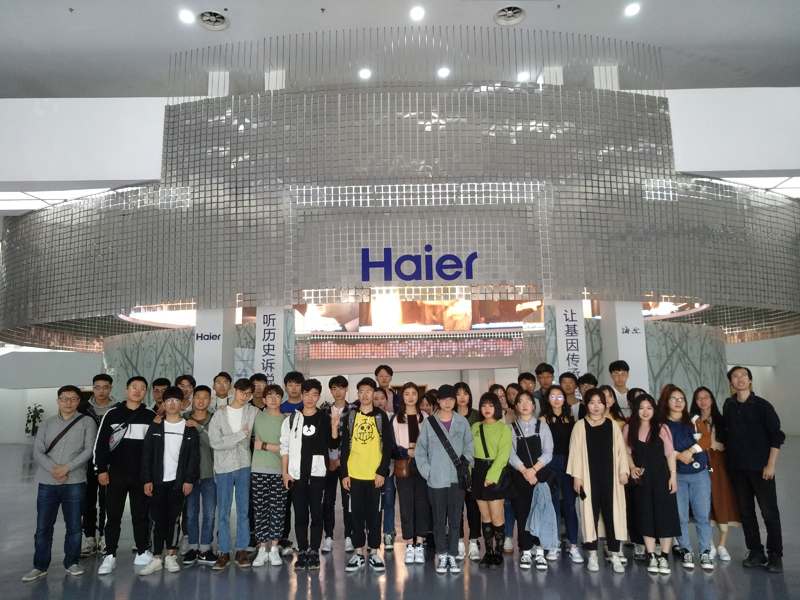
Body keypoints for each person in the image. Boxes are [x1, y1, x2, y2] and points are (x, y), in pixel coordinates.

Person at [23, 385, 98, 582]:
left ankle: (72, 562)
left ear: (78, 401)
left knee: (74, 525)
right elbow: (38, 450)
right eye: (64, 399)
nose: (68, 402)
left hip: (75, 481)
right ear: (58, 400)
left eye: (73, 399)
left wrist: (67, 468)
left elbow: (89, 450)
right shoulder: (47, 424)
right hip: (47, 481)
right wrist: (54, 470)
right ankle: (40, 566)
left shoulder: (87, 422)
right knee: (43, 526)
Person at [93, 376, 157, 574]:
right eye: (134, 387)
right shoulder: (112, 414)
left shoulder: (150, 416)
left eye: (142, 388)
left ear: (145, 393)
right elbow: (101, 444)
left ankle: (142, 551)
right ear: (126, 391)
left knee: (141, 515)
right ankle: (109, 555)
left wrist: (151, 475)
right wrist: (100, 470)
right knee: (112, 515)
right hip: (116, 474)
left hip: (141, 476)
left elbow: (155, 448)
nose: (137, 391)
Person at [723, 366, 784, 573]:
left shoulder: (763, 406)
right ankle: (756, 551)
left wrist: (770, 465)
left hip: (761, 469)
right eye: (735, 376)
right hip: (737, 469)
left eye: (743, 376)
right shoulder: (729, 405)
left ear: (750, 380)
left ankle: (775, 554)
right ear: (731, 382)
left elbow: (776, 437)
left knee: (769, 513)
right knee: (746, 512)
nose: (739, 379)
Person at [567, 388, 630, 573]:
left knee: (612, 515)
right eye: (592, 402)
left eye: (600, 402)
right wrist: (577, 476)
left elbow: (621, 451)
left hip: (611, 479)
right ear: (586, 404)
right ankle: (593, 555)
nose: (596, 406)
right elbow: (575, 452)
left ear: (605, 404)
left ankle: (615, 555)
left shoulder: (612, 425)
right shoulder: (580, 426)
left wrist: (623, 471)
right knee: (590, 516)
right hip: (588, 479)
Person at [139, 386, 200, 575]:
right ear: (163, 404)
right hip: (157, 481)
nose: (172, 404)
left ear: (182, 404)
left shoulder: (189, 428)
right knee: (157, 519)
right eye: (168, 401)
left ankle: (171, 555)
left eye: (176, 400)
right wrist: (147, 479)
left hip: (178, 481)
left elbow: (194, 457)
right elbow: (146, 454)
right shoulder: (156, 426)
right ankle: (157, 557)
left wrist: (189, 480)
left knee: (174, 519)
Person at [280, 378, 340, 570]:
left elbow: (333, 445)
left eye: (314, 394)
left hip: (318, 475)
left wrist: (334, 427)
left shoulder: (325, 418)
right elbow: (284, 447)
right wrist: (284, 472)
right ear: (302, 395)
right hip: (296, 475)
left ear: (319, 396)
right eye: (307, 394)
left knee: (316, 515)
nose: (310, 398)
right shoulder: (291, 419)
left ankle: (314, 550)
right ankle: (302, 551)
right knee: (300, 516)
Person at [415, 384, 475, 575]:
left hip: (456, 480)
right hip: (436, 480)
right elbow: (420, 451)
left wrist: (464, 465)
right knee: (439, 520)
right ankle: (442, 555)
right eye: (444, 399)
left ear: (454, 401)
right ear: (438, 401)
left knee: (456, 519)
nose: (448, 403)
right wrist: (429, 472)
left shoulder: (462, 422)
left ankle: (453, 554)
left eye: (451, 399)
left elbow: (469, 446)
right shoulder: (429, 423)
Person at [657, 383, 713, 571]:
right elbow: (661, 446)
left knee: (702, 515)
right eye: (674, 399)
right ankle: (685, 549)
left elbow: (706, 439)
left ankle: (705, 551)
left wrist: (690, 451)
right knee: (680, 516)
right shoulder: (662, 424)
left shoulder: (694, 420)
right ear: (667, 401)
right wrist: (677, 455)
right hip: (677, 475)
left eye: (681, 399)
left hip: (699, 474)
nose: (678, 402)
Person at [623, 393, 680, 576]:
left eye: (649, 408)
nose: (645, 412)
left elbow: (670, 454)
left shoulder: (662, 428)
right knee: (645, 515)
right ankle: (651, 555)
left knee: (665, 515)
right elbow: (627, 452)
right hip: (642, 479)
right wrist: (632, 467)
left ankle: (664, 556)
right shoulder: (629, 428)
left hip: (662, 476)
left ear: (654, 409)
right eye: (641, 408)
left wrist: (673, 476)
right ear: (636, 410)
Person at [341, 377, 392, 572]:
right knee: (355, 515)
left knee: (374, 515)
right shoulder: (351, 416)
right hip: (354, 474)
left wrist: (381, 472)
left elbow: (387, 447)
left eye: (368, 391)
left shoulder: (381, 416)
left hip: (374, 476)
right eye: (361, 391)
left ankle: (374, 552)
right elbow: (345, 447)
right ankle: (358, 553)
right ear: (357, 394)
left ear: (374, 394)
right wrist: (345, 474)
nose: (364, 395)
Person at [208, 378, 259, 569]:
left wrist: (232, 439)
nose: (245, 396)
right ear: (234, 391)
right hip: (223, 467)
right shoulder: (220, 414)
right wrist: (240, 436)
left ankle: (241, 550)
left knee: (243, 510)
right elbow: (215, 442)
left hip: (244, 464)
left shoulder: (253, 412)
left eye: (248, 394)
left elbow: (265, 423)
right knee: (223, 511)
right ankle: (223, 551)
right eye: (242, 392)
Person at [690, 386, 740, 562]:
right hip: (701, 462)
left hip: (720, 463)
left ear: (712, 400)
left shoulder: (722, 421)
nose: (703, 401)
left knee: (722, 500)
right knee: (705, 502)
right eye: (699, 398)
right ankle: (709, 545)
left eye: (706, 397)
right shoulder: (692, 422)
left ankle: (722, 545)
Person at [509, 390, 553, 570]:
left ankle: (540, 551)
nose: (525, 405)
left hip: (539, 476)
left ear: (534, 405)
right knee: (523, 513)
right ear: (516, 406)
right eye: (521, 402)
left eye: (528, 401)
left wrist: (533, 470)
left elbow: (548, 452)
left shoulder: (542, 426)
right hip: (520, 478)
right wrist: (524, 471)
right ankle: (526, 550)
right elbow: (510, 454)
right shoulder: (511, 428)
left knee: (541, 512)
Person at [538, 385, 582, 564]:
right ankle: (553, 543)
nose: (556, 400)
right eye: (553, 396)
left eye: (560, 396)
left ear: (564, 399)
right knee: (553, 506)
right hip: (550, 464)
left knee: (570, 506)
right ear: (548, 399)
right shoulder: (542, 419)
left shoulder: (572, 419)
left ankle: (574, 545)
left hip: (570, 464)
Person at [471, 392, 514, 569]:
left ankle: (498, 553)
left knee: (496, 516)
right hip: (477, 472)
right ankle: (488, 552)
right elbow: (469, 452)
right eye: (483, 405)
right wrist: (470, 476)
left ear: (497, 407)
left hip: (496, 473)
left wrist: (491, 477)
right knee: (485, 516)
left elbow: (503, 456)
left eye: (491, 405)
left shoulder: (504, 429)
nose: (487, 409)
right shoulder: (475, 427)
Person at [79, 374, 118, 559]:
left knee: (106, 502)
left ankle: (103, 537)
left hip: (110, 463)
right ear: (93, 388)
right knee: (87, 501)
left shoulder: (118, 409)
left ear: (111, 388)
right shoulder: (82, 409)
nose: (101, 391)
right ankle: (89, 538)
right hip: (86, 463)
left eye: (105, 387)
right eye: (97, 387)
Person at [392, 381, 430, 565]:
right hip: (404, 465)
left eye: (414, 393)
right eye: (406, 394)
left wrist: (419, 452)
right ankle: (409, 543)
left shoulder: (425, 417)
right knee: (406, 505)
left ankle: (420, 542)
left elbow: (431, 443)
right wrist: (406, 451)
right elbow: (391, 446)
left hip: (423, 466)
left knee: (422, 504)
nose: (410, 397)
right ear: (402, 397)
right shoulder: (396, 418)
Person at [251, 384, 289, 567]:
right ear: (264, 400)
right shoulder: (256, 416)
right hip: (258, 470)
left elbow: (288, 448)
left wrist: (265, 446)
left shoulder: (287, 421)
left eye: (277, 396)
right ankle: (262, 549)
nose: (274, 399)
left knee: (278, 510)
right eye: (270, 396)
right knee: (260, 511)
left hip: (280, 471)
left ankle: (274, 548)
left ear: (282, 399)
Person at [181, 385, 218, 566]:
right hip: (190, 476)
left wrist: (200, 428)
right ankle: (192, 548)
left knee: (209, 514)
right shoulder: (183, 419)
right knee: (191, 513)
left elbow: (216, 443)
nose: (201, 400)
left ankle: (205, 548)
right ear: (192, 399)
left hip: (210, 474)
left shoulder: (215, 419)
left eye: (205, 397)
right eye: (198, 397)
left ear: (210, 400)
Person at [322, 375, 354, 553]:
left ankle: (349, 536)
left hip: (348, 463)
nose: (338, 392)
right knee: (328, 501)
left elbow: (355, 440)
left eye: (341, 388)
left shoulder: (354, 411)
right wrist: (329, 460)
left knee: (348, 501)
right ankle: (328, 537)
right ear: (331, 391)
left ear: (346, 389)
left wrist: (342, 459)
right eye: (334, 388)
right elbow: (322, 440)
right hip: (328, 463)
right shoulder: (324, 412)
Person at [278, 370, 306, 554]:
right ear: (285, 387)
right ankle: (284, 539)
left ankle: (301, 541)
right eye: (290, 384)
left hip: (304, 466)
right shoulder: (279, 408)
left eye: (297, 384)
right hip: (283, 464)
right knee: (284, 504)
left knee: (302, 505)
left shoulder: (308, 407)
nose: (294, 388)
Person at [454, 381, 481, 560]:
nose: (462, 397)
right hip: (454, 468)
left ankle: (473, 541)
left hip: (474, 468)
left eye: (465, 393)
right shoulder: (449, 415)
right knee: (456, 508)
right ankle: (457, 542)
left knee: (473, 508)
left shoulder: (477, 415)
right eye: (458, 394)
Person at [373, 387, 397, 550]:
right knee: (373, 502)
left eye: (382, 398)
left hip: (388, 466)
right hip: (369, 467)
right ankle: (372, 532)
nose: (379, 401)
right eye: (376, 398)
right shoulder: (366, 417)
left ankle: (388, 531)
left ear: (387, 400)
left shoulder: (392, 418)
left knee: (389, 499)